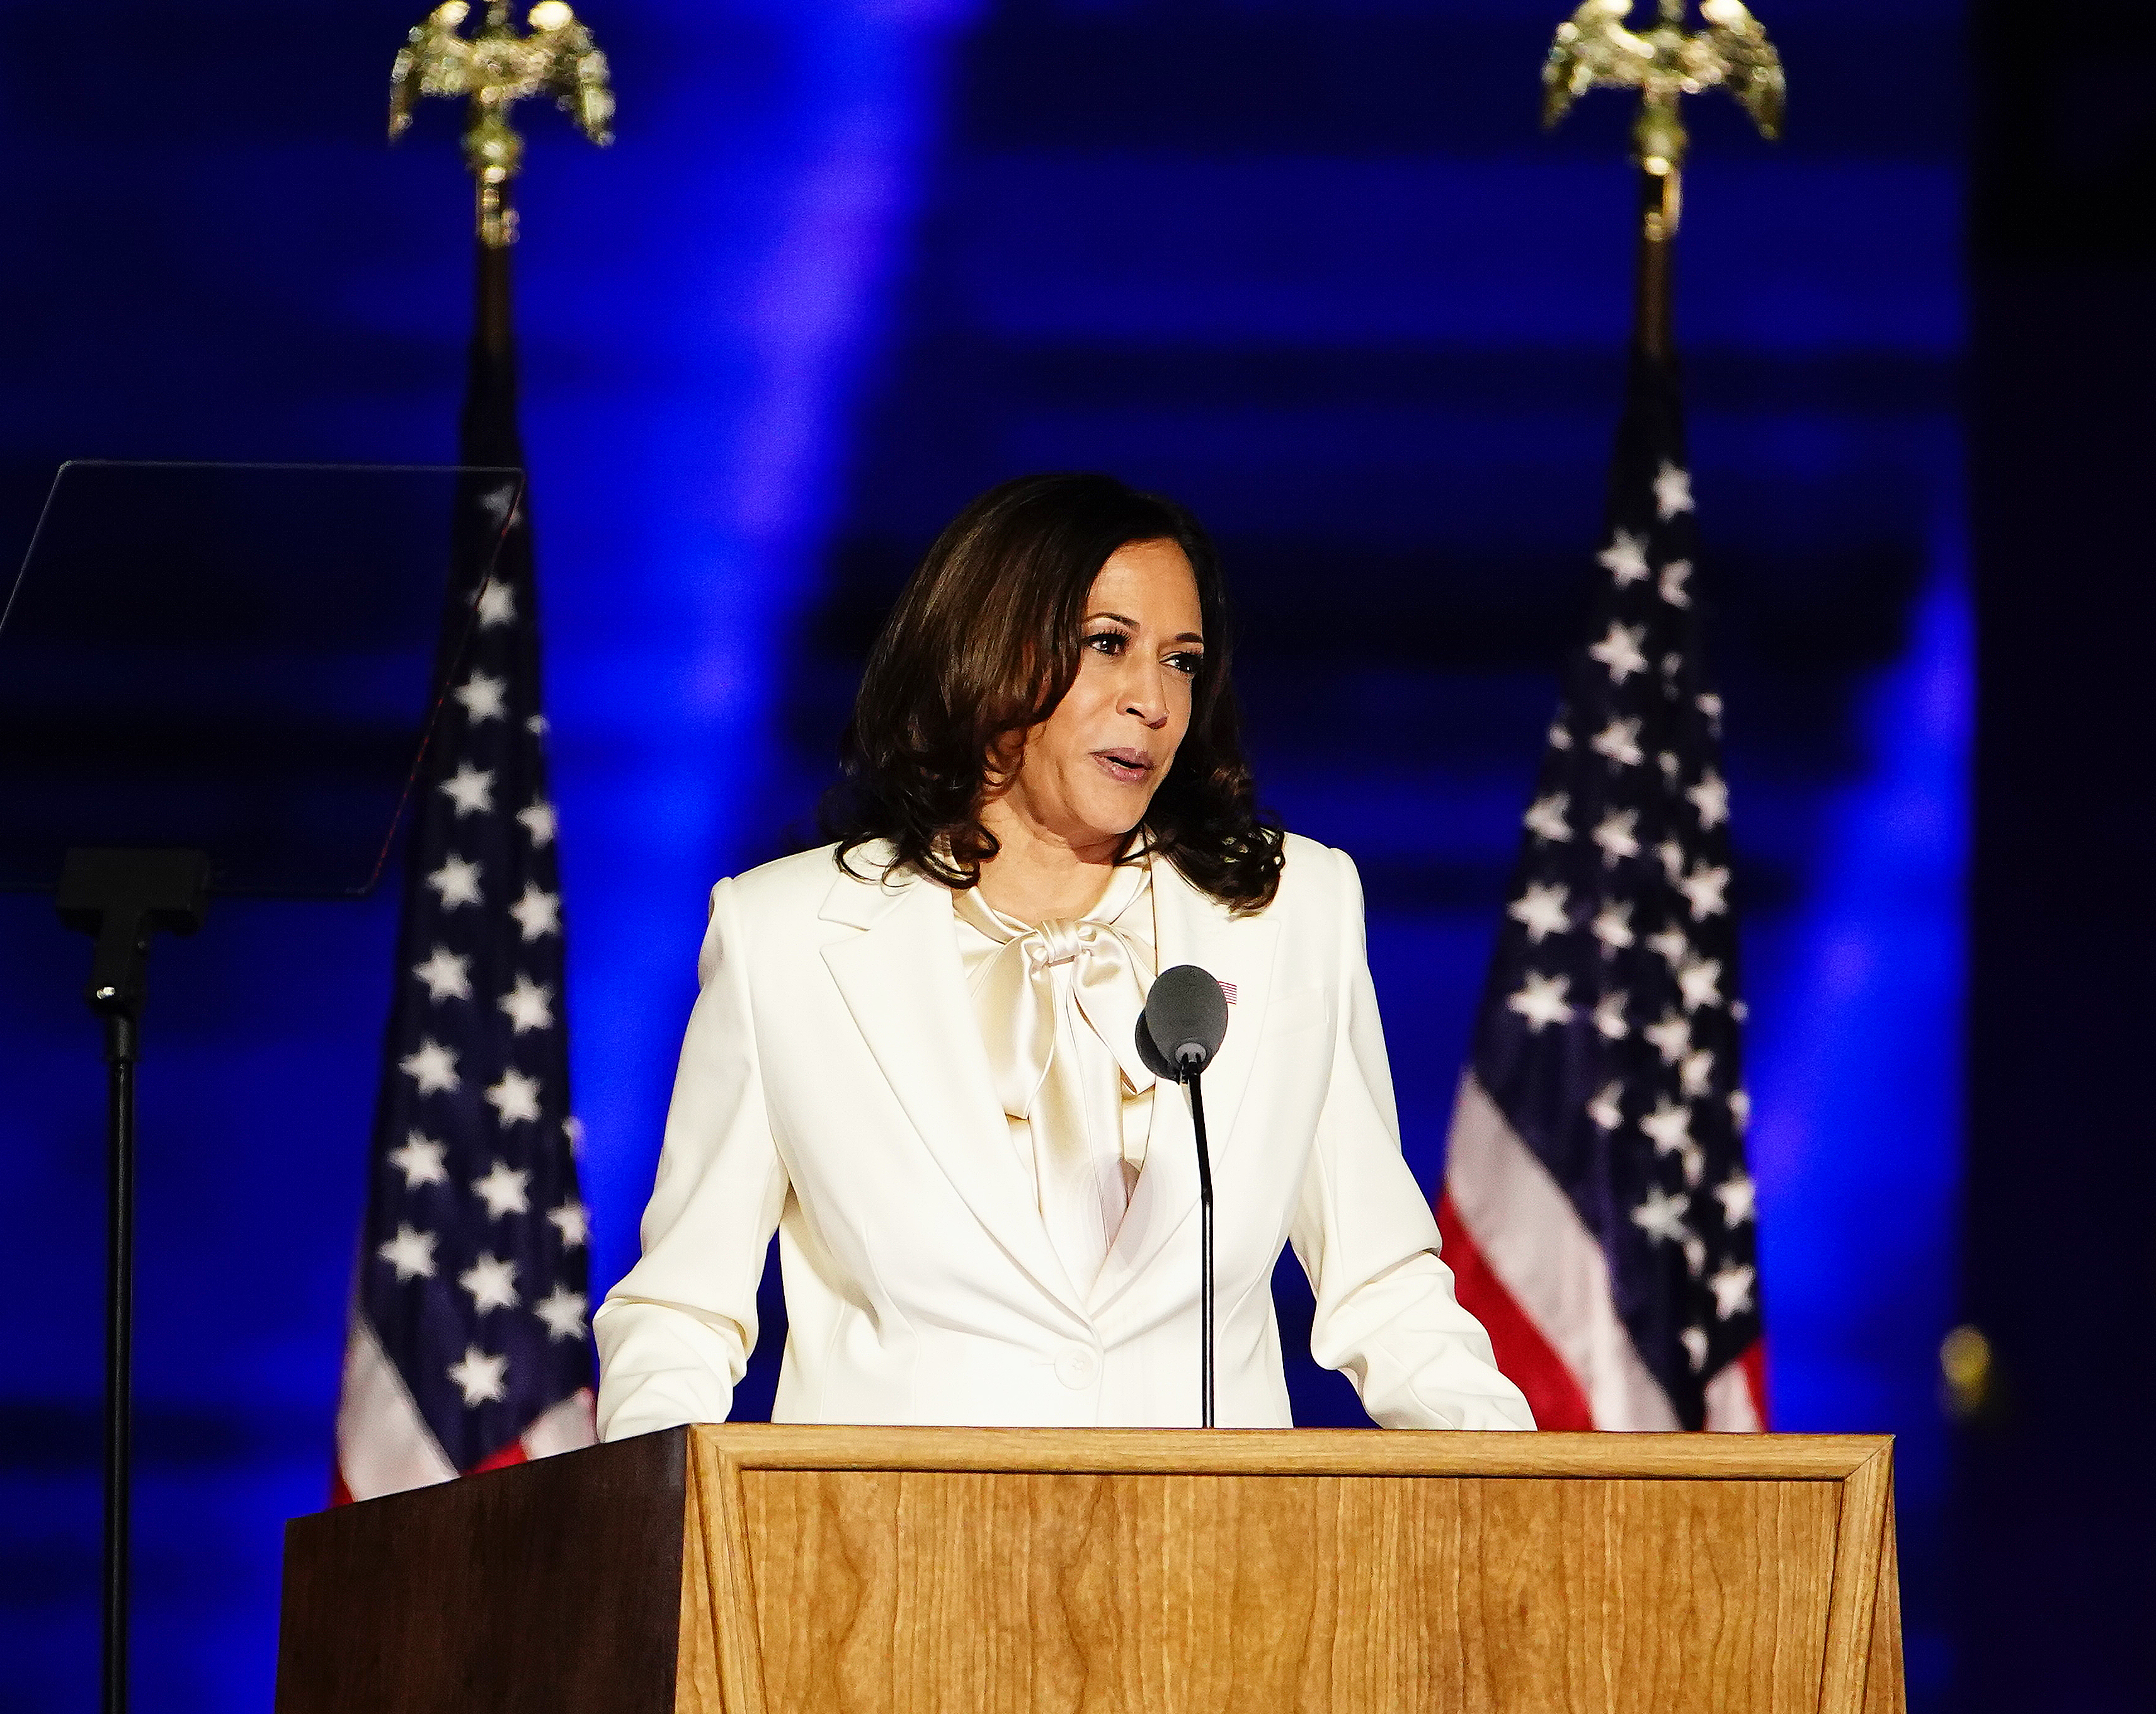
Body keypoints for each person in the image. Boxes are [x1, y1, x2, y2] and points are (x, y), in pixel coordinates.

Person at [593, 473, 1531, 1434]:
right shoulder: (784, 935)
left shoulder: (1291, 912)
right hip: (887, 1566)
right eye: (1108, 646)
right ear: (988, 652)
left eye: (1182, 661)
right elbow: (682, 1313)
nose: (1155, 703)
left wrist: (1538, 1508)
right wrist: (660, 1531)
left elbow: (1385, 1288)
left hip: (1213, 1564)